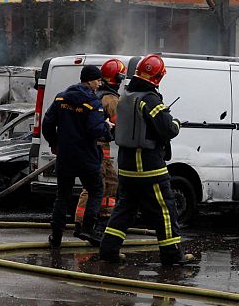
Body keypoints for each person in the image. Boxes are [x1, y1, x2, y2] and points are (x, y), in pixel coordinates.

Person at [99, 54, 195, 265]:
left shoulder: (125, 95)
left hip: (126, 166)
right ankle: (172, 255)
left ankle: (108, 249)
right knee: (165, 209)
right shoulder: (149, 99)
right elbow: (167, 128)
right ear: (158, 77)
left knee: (124, 209)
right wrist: (176, 122)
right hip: (149, 167)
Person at [40, 65, 112, 248]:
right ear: (89, 80)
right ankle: (88, 229)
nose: (99, 84)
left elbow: (47, 124)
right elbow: (96, 130)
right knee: (96, 190)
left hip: (65, 156)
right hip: (86, 156)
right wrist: (107, 127)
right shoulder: (92, 103)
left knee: (62, 195)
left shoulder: (61, 97)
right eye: (97, 80)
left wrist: (54, 144)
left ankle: (56, 237)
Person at [74, 59, 125, 239]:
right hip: (98, 147)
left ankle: (103, 220)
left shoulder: (100, 95)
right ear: (117, 78)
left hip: (101, 147)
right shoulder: (110, 99)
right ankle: (82, 224)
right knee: (95, 185)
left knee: (111, 183)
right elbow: (120, 124)